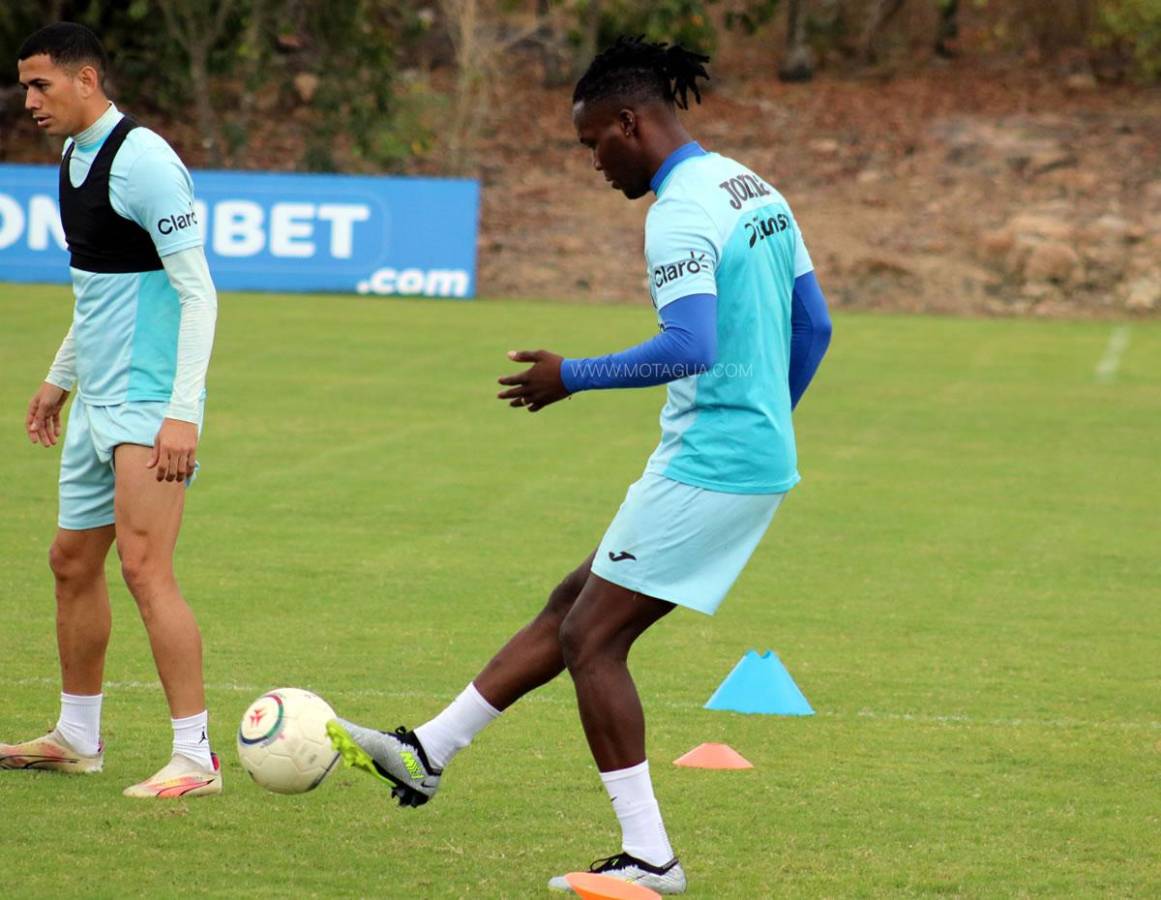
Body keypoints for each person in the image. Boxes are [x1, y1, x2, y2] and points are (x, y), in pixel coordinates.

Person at [327, 36, 831, 893]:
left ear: (628, 122)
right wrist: (764, 425)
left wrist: (572, 377)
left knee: (589, 640)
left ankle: (650, 858)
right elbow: (812, 325)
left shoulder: (677, 210)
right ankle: (427, 750)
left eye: (592, 141)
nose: (592, 161)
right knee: (576, 599)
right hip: (739, 452)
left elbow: (690, 343)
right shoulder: (750, 185)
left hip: (711, 462)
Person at [0, 23, 221, 799]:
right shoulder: (71, 156)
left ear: (86, 79)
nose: (28, 100)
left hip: (149, 401)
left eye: (40, 85)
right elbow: (97, 286)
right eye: (25, 86)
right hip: (96, 400)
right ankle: (76, 736)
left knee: (144, 568)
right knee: (70, 563)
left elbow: (199, 293)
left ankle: (196, 758)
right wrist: (59, 377)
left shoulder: (146, 162)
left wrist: (181, 414)